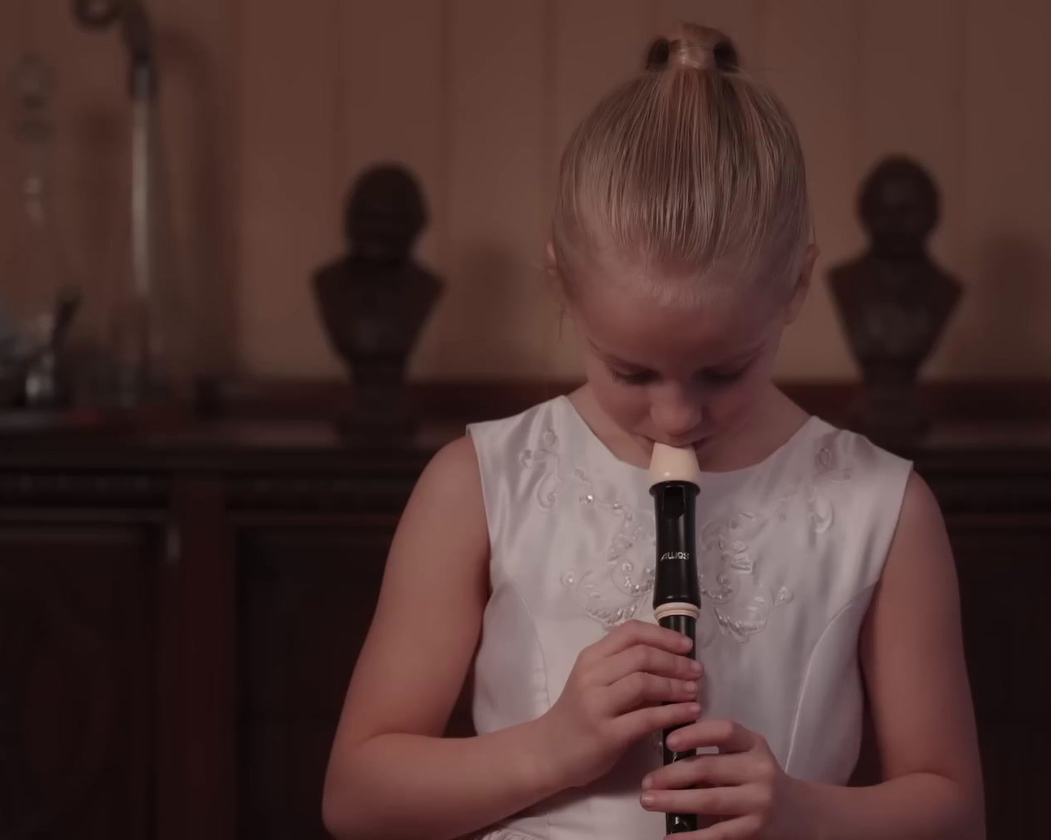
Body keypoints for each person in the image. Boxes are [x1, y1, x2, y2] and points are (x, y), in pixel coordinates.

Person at [322, 23, 983, 840]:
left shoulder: (886, 507)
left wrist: (802, 813)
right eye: (631, 372)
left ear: (797, 287)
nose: (676, 416)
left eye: (722, 371)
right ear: (563, 284)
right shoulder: (478, 482)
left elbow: (956, 815)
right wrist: (552, 748)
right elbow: (357, 798)